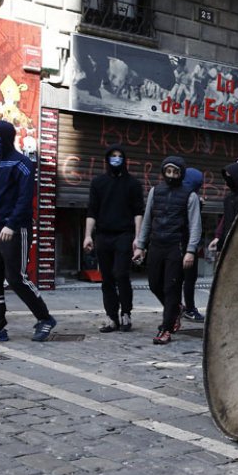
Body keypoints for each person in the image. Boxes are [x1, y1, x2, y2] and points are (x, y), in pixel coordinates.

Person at [0, 120, 57, 343]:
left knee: (16, 278)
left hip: (16, 229)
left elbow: (25, 199)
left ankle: (45, 318)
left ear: (6, 136)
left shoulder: (23, 163)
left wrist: (11, 224)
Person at [133, 156, 201, 345]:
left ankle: (166, 328)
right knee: (155, 284)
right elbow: (147, 220)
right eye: (168, 171)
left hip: (176, 247)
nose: (171, 175)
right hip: (156, 245)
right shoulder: (156, 191)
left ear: (181, 174)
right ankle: (176, 309)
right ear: (163, 172)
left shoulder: (190, 196)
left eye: (176, 172)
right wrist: (140, 246)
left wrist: (190, 250)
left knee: (171, 288)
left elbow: (195, 226)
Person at [83, 146, 144, 333]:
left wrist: (138, 238)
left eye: (119, 156)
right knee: (107, 278)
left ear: (124, 160)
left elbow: (138, 212)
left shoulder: (133, 184)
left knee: (121, 274)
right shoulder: (98, 183)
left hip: (124, 235)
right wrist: (87, 235)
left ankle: (126, 313)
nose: (116, 159)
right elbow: (92, 211)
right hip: (103, 235)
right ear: (107, 159)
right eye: (113, 156)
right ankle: (111, 317)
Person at [180, 167, 205, 323]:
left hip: (176, 243)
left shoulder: (177, 193)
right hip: (187, 243)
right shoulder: (191, 197)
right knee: (189, 278)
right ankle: (189, 308)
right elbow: (192, 223)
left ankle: (180, 307)